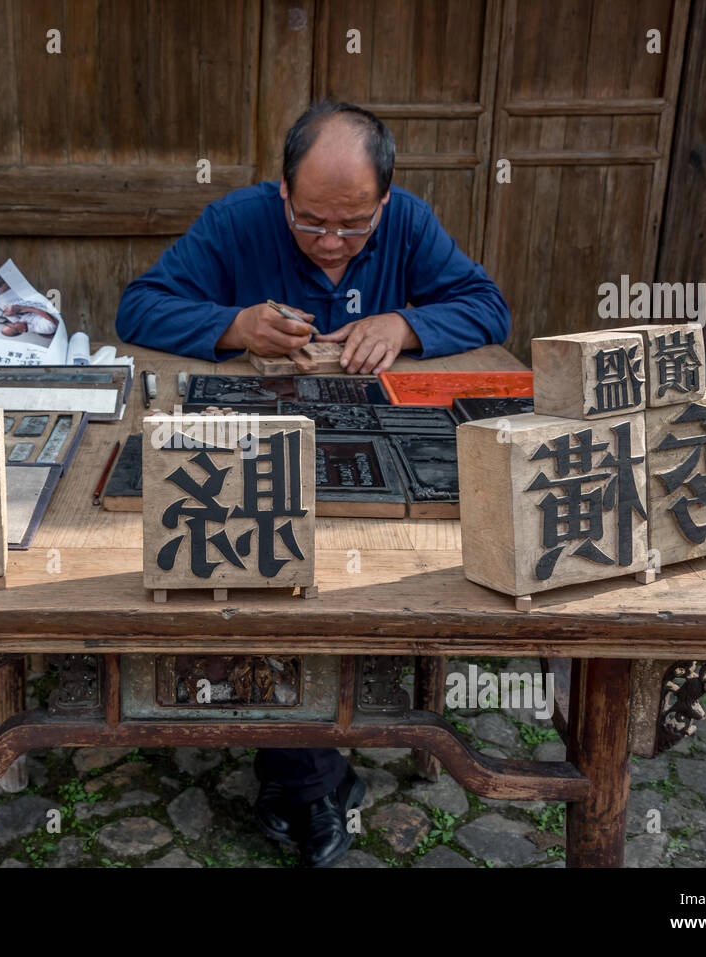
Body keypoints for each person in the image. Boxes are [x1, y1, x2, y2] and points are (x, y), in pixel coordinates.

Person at [115, 102, 510, 867]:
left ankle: (300, 772)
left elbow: (486, 305)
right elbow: (140, 304)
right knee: (270, 561)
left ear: (384, 204)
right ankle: (310, 777)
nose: (332, 242)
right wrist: (234, 326)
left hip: (376, 464)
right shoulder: (238, 221)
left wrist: (405, 325)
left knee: (359, 574)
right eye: (311, 222)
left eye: (354, 224)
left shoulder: (412, 225)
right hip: (259, 458)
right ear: (284, 192)